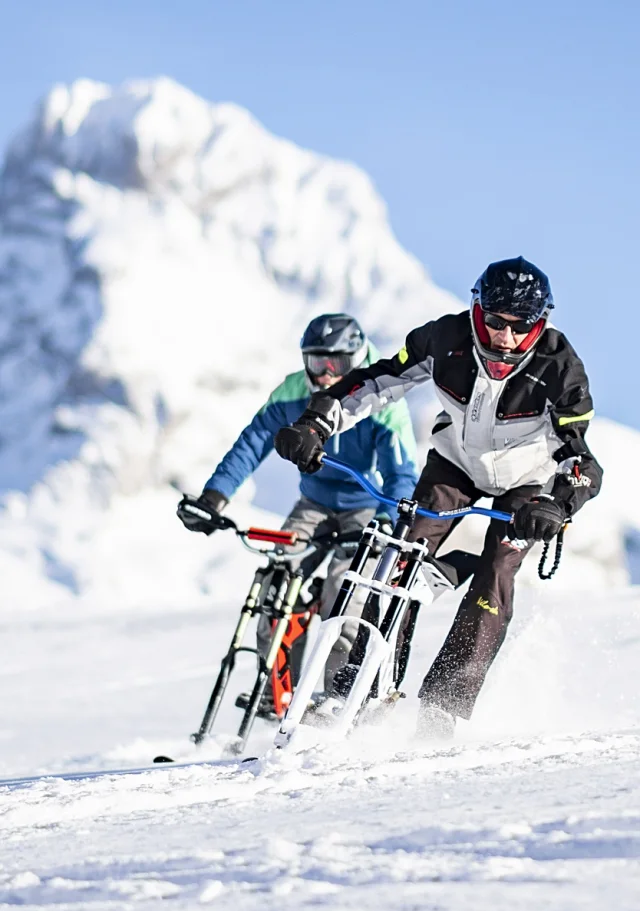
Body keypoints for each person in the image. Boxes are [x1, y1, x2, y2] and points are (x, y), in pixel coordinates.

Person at [274, 257, 603, 741]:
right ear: (478, 310)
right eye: (495, 321)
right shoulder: (444, 339)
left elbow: (581, 462)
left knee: (495, 577)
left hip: (526, 485)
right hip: (455, 466)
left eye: (520, 327)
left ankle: (442, 710)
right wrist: (316, 423)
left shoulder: (561, 368)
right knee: (398, 561)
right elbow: (378, 380)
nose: (505, 338)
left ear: (541, 324)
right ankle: (361, 692)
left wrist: (556, 504)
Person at [177, 313, 418, 701]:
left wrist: (388, 521)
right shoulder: (291, 392)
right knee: (276, 580)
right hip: (314, 504)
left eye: (335, 364)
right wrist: (214, 497)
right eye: (315, 361)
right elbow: (253, 441)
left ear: (356, 360)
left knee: (347, 594)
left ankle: (336, 700)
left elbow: (401, 472)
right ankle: (277, 692)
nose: (324, 374)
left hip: (366, 508)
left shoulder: (380, 398)